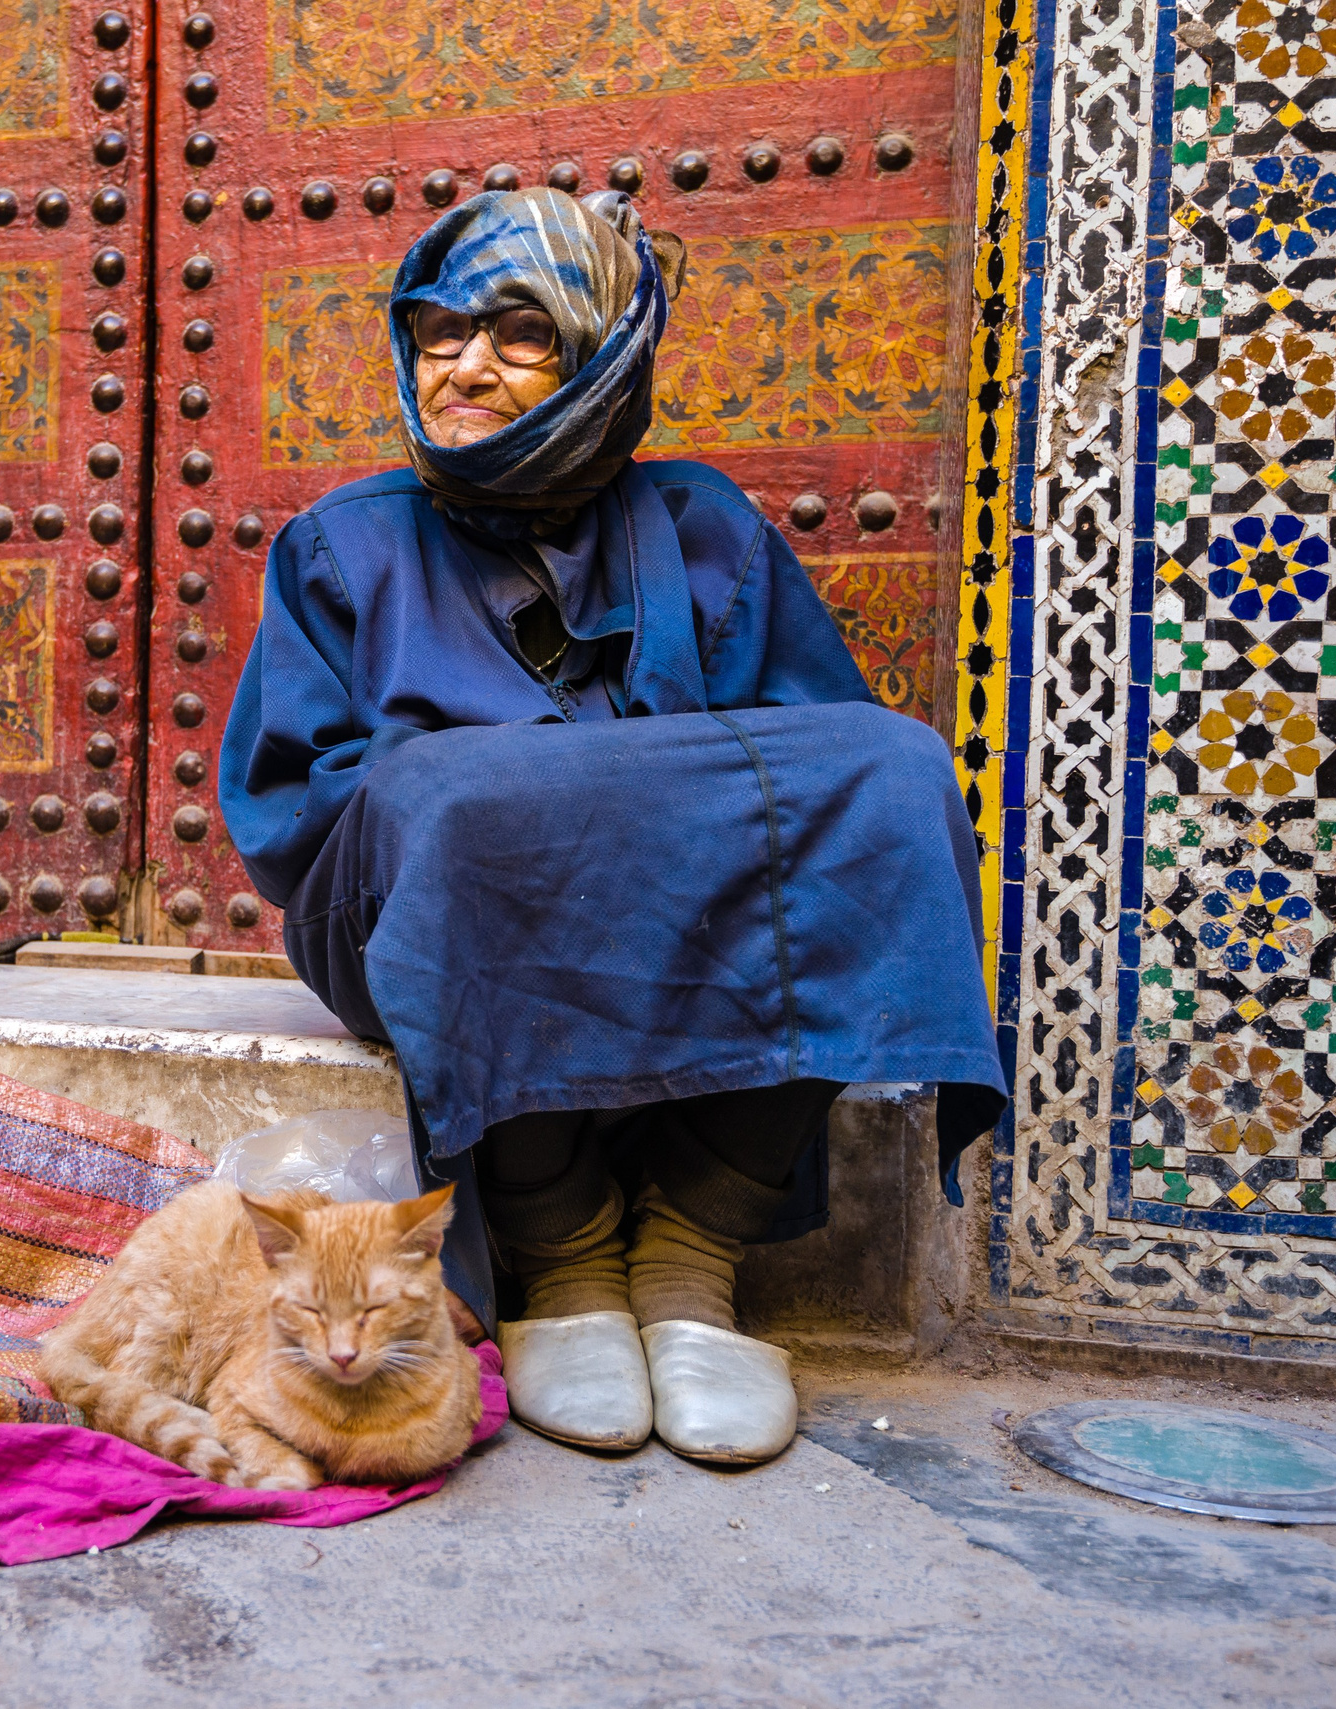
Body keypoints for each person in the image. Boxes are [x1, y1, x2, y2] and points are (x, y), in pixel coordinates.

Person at [217, 187, 1006, 1466]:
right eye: (436, 330)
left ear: (600, 356)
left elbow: (805, 791)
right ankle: (566, 1251)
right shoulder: (342, 547)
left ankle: (695, 1247)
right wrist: (538, 808)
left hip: (686, 936)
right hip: (428, 921)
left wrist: (625, 821)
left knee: (893, 772)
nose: (462, 363)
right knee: (459, 795)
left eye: (518, 331)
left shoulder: (703, 530)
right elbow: (298, 811)